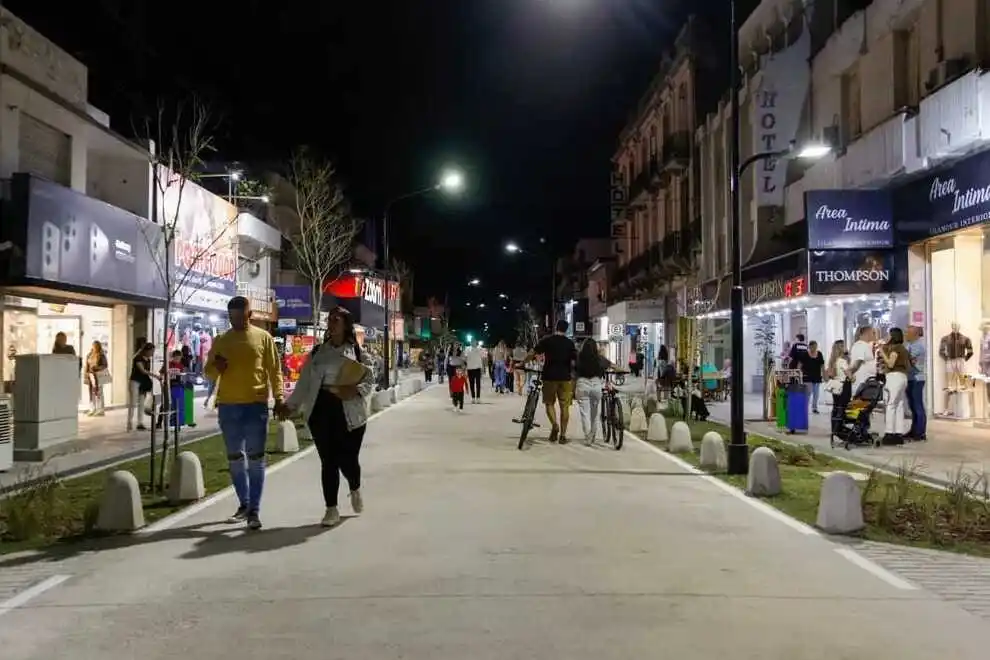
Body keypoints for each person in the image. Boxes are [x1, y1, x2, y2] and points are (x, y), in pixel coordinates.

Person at [285, 306, 374, 527]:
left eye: (337, 320)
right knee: (329, 462)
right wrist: (290, 405)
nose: (332, 323)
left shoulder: (358, 353)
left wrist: (354, 390)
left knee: (348, 460)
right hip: (322, 410)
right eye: (330, 320)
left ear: (346, 325)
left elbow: (370, 380)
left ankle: (355, 487)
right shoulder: (317, 353)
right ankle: (331, 508)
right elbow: (304, 383)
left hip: (350, 411)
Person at [204, 296, 286, 530]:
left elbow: (274, 370)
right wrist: (215, 368)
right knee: (236, 460)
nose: (237, 321)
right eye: (233, 317)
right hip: (229, 407)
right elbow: (208, 373)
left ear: (250, 314)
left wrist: (279, 398)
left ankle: (254, 511)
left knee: (256, 460)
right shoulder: (221, 340)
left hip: (255, 406)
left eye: (241, 316)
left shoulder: (264, 338)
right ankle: (245, 503)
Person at [527, 319, 577, 444]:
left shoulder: (547, 340)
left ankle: (555, 425)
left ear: (556, 327)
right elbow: (575, 360)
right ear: (566, 329)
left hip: (549, 376)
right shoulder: (570, 343)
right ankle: (563, 436)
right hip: (565, 377)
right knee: (565, 406)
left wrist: (523, 362)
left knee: (549, 403)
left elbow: (533, 352)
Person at [574, 339, 611, 446]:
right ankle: (592, 435)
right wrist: (623, 370)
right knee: (595, 413)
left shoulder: (579, 357)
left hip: (582, 384)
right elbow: (611, 365)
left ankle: (588, 437)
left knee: (584, 413)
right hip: (596, 385)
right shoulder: (599, 358)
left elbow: (573, 369)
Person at [880, 327, 911, 443]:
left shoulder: (896, 349)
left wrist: (882, 352)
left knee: (891, 404)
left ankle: (889, 433)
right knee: (899, 405)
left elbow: (891, 363)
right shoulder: (903, 349)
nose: (887, 337)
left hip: (894, 377)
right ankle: (899, 433)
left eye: (889, 335)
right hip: (903, 377)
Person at [905, 325, 927, 441]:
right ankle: (914, 430)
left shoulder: (918, 346)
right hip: (910, 378)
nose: (906, 335)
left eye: (908, 333)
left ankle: (920, 432)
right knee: (913, 406)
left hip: (917, 378)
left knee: (917, 405)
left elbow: (910, 360)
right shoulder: (910, 345)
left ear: (915, 334)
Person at [128, 343, 155, 431]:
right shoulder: (138, 358)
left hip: (143, 383)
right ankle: (130, 422)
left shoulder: (148, 360)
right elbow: (143, 371)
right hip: (135, 381)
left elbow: (146, 372)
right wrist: (156, 376)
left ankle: (140, 423)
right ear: (146, 350)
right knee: (133, 402)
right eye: (151, 351)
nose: (152, 353)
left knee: (141, 403)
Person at [824, 339, 851, 409]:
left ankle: (836, 419)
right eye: (844, 346)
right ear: (841, 348)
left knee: (836, 405)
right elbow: (850, 375)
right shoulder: (842, 361)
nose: (846, 347)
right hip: (844, 385)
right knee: (844, 405)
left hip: (836, 385)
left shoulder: (833, 360)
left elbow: (831, 375)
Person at [803, 340, 825, 414]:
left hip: (817, 376)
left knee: (816, 393)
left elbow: (822, 365)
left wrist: (824, 374)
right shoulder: (805, 354)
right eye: (813, 347)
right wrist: (798, 373)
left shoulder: (819, 354)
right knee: (808, 393)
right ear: (809, 346)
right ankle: (805, 408)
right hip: (807, 377)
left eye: (816, 347)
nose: (814, 348)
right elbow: (800, 364)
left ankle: (814, 407)